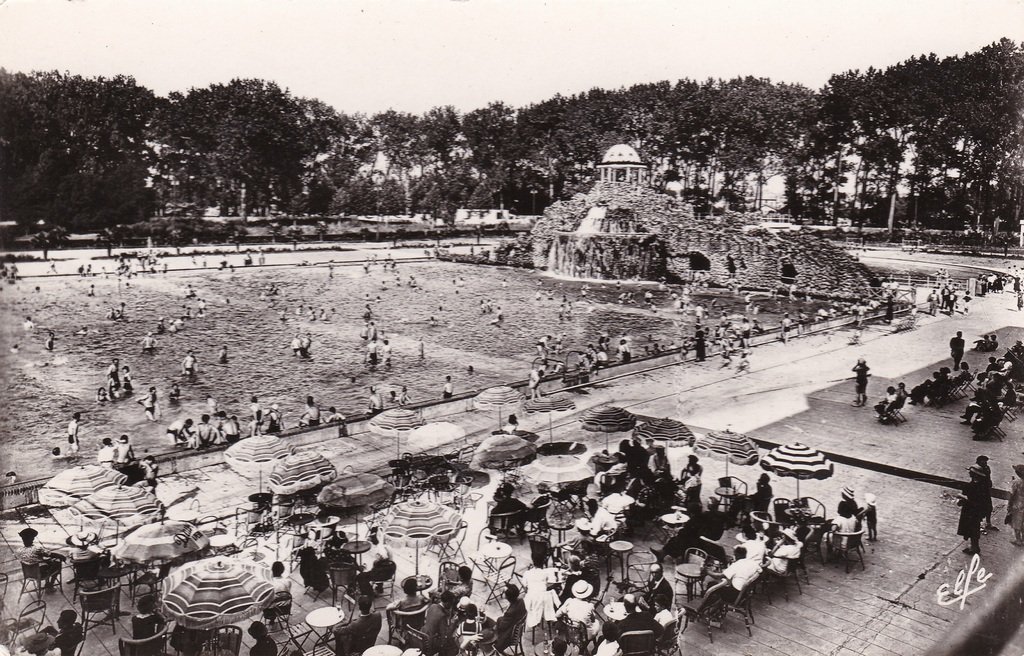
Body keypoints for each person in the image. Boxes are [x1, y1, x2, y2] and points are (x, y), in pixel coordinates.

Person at [958, 465, 989, 555]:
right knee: (971, 529)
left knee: (973, 529)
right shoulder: (979, 484)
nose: (969, 473)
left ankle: (975, 547)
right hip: (971, 510)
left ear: (975, 475)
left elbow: (974, 500)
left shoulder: (977, 486)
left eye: (971, 472)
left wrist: (962, 497)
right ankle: (973, 546)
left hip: (973, 511)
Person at [494, 584, 528, 651]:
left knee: (491, 631)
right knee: (498, 620)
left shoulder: (509, 612)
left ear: (507, 596)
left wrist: (505, 613)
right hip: (515, 623)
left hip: (510, 635)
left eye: (503, 591)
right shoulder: (521, 601)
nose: (502, 592)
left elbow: (502, 626)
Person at [1005, 463, 1024, 547]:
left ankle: (1018, 539)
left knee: (1016, 522)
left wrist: (1009, 505)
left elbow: (1012, 494)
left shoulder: (1016, 482)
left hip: (1017, 504)